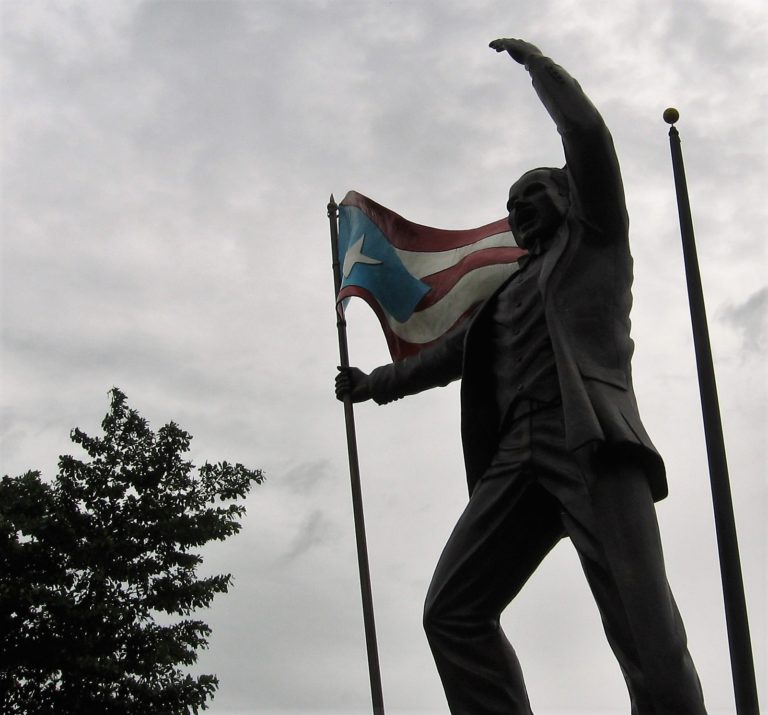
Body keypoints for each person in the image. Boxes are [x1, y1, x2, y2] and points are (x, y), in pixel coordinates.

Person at [335, 38, 708, 715]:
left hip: (590, 442)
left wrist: (543, 72)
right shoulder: (501, 297)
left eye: (533, 192)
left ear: (570, 199)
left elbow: (589, 135)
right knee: (451, 611)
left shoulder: (595, 244)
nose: (519, 207)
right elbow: (447, 361)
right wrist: (373, 384)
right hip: (514, 459)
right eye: (511, 202)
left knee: (645, 629)